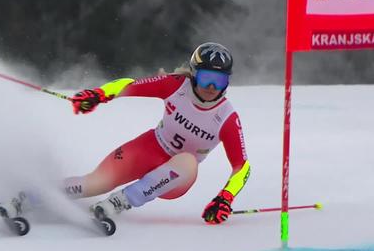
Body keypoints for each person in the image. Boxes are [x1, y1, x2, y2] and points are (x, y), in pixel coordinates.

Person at [63, 42, 250, 225]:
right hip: (149, 149)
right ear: (193, 75)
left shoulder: (227, 117)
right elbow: (130, 85)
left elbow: (242, 166)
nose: (211, 87)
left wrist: (225, 198)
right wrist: (100, 94)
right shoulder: (175, 85)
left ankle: (118, 202)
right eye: (206, 78)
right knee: (95, 183)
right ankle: (42, 194)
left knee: (188, 160)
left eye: (219, 81)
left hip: (177, 178)